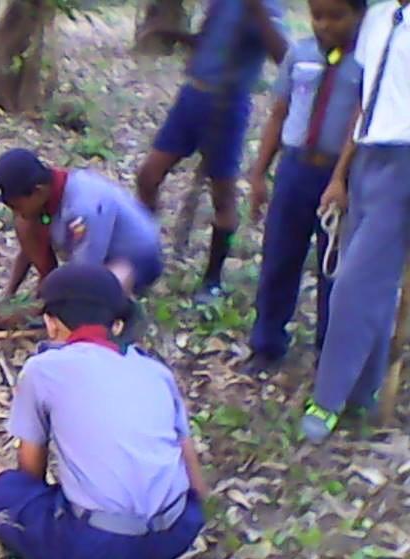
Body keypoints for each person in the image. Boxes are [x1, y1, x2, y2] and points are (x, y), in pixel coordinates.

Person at [0, 263, 208, 559]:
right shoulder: (156, 372)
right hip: (176, 533)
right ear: (116, 326)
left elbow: (31, 472)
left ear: (51, 324)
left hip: (96, 548)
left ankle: (32, 555)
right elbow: (190, 466)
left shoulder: (44, 368)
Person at [302, 0, 410, 443]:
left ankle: (326, 401)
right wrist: (342, 174)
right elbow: (367, 101)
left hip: (404, 160)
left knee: (353, 284)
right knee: (373, 286)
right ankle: (362, 392)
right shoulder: (381, 16)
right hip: (368, 154)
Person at [244, 0, 367, 376]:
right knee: (280, 256)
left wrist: (339, 180)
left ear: (359, 15)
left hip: (337, 174)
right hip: (295, 168)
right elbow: (279, 113)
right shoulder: (301, 53)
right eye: (318, 16)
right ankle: (266, 343)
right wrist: (260, 172)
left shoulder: (366, 63)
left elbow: (358, 123)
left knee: (332, 264)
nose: (325, 24)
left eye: (336, 16)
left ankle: (328, 351)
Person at [136, 0, 288, 302]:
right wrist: (174, 36)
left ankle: (212, 280)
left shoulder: (268, 5)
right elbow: (208, 43)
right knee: (148, 177)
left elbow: (284, 54)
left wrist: (257, 10)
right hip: (193, 96)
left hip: (227, 104)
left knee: (223, 197)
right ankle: (144, 253)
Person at [0, 148, 163, 305]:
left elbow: (83, 272)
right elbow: (28, 247)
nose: (16, 213)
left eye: (17, 206)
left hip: (135, 259)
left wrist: (45, 305)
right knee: (24, 223)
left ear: (38, 191)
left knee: (93, 302)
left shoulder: (84, 209)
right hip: (95, 257)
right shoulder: (48, 195)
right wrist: (8, 295)